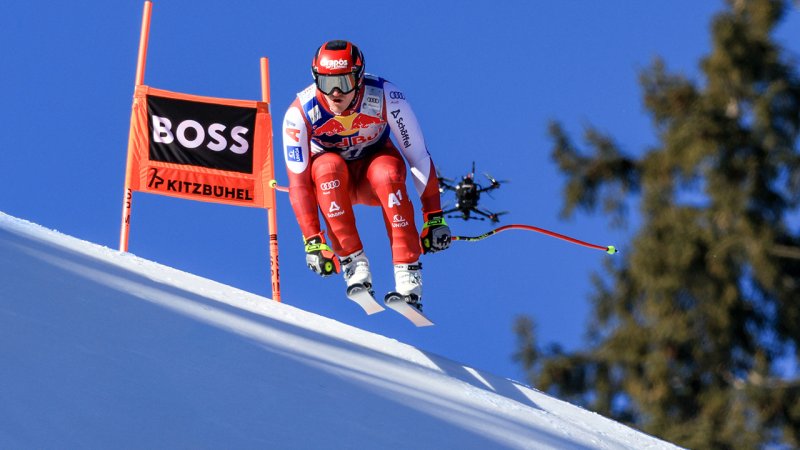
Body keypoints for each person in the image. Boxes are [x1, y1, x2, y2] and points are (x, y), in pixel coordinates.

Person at [281, 39, 451, 311]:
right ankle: (354, 264)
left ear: (359, 79)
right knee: (326, 168)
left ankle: (407, 274)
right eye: (326, 83)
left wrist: (434, 216)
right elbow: (298, 184)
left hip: (375, 174)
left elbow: (418, 156)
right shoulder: (300, 112)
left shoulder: (386, 96)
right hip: (335, 185)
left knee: (387, 172)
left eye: (344, 82)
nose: (335, 93)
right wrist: (312, 240)